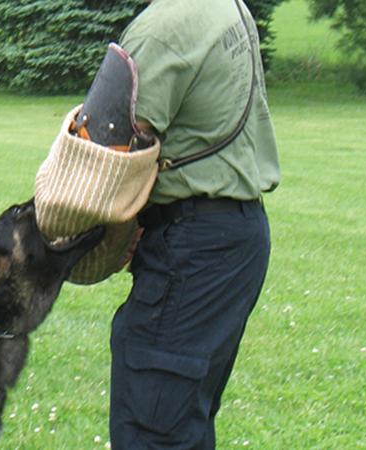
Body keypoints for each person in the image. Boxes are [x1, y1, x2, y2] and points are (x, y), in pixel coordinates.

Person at [109, 0, 280, 447]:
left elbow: (107, 156)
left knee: (154, 429)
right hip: (233, 238)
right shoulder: (226, 7)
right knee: (184, 422)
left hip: (192, 246)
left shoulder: (161, 31)